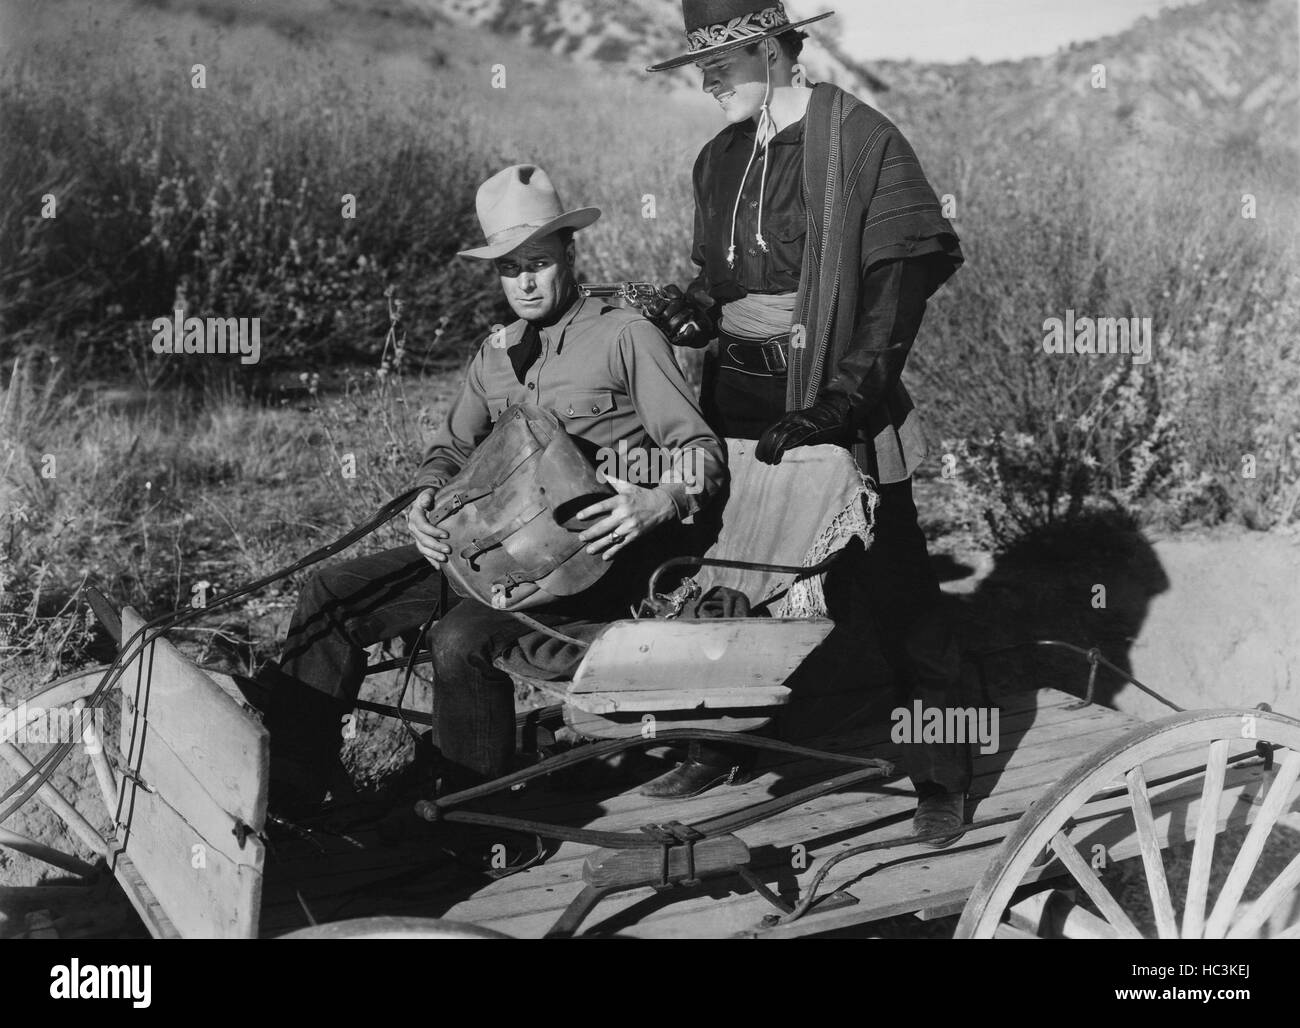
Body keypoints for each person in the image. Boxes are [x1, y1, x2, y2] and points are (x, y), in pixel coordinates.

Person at [260, 164, 726, 812]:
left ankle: (478, 823)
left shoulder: (626, 336)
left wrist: (655, 500)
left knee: (459, 639)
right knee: (331, 593)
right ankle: (291, 795)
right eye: (510, 268)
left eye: (537, 261)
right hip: (486, 554)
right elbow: (450, 446)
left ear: (569, 251)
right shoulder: (496, 353)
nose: (526, 281)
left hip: (587, 567)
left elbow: (700, 451)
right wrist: (426, 496)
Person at [641, 1, 971, 844]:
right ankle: (711, 742)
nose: (708, 81)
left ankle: (942, 774)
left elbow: (897, 291)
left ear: (771, 51)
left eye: (720, 64)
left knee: (897, 594)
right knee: (722, 572)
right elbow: (720, 281)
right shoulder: (718, 158)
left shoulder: (860, 143)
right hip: (736, 402)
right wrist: (690, 313)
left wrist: (841, 405)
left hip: (835, 394)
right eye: (702, 68)